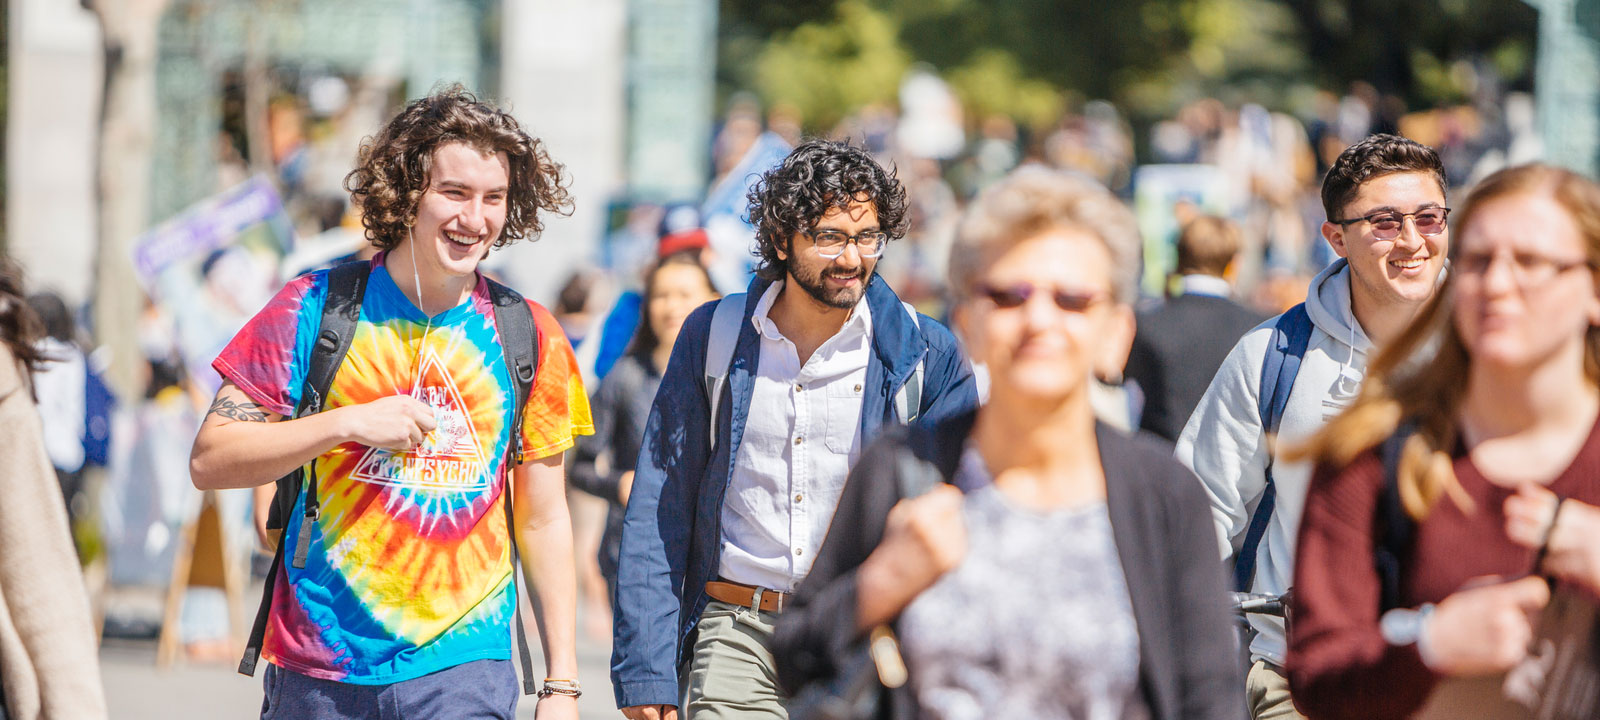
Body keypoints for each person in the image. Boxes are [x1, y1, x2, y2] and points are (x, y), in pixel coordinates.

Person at [772, 166, 1242, 720]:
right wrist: (879, 585)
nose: (1039, 319)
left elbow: (1210, 699)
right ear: (967, 321)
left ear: (1116, 332)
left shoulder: (1163, 494)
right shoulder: (901, 468)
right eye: (1009, 296)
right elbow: (793, 658)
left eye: (1071, 299)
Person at [188, 87, 592, 719]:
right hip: (319, 667)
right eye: (453, 193)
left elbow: (543, 518)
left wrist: (561, 685)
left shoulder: (529, 333)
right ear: (406, 193)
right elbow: (211, 458)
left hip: (465, 667)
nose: (475, 218)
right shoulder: (313, 308)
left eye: (494, 198)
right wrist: (345, 423)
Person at [611, 139, 980, 719]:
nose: (853, 259)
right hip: (736, 635)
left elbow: (967, 509)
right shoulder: (714, 336)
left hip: (862, 636)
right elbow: (662, 505)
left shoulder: (924, 353)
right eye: (830, 237)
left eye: (867, 238)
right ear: (782, 239)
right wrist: (646, 669)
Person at [1287, 164, 1600, 719]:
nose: (1497, 285)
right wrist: (1430, 644)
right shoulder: (1373, 452)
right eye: (1477, 262)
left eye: (1530, 262)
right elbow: (1317, 676)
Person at [1175, 134, 1450, 720]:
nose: (1412, 240)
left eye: (1428, 217)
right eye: (1383, 222)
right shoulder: (1273, 353)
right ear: (1336, 238)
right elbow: (1197, 512)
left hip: (1458, 683)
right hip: (1300, 683)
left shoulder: (1492, 350)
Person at [571, 252, 720, 605]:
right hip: (633, 554)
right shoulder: (624, 377)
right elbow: (581, 467)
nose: (671, 307)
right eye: (660, 295)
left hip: (712, 561)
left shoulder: (731, 379)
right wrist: (620, 484)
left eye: (685, 295)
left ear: (714, 301)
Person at [0, 258, 108, 720]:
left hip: (37, 454)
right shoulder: (73, 356)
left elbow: (33, 571)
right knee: (59, 526)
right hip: (63, 456)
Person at [1124, 216, 1265, 442]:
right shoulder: (1259, 327)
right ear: (1233, 264)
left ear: (1179, 259)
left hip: (1161, 463)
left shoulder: (1144, 324)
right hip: (1234, 469)